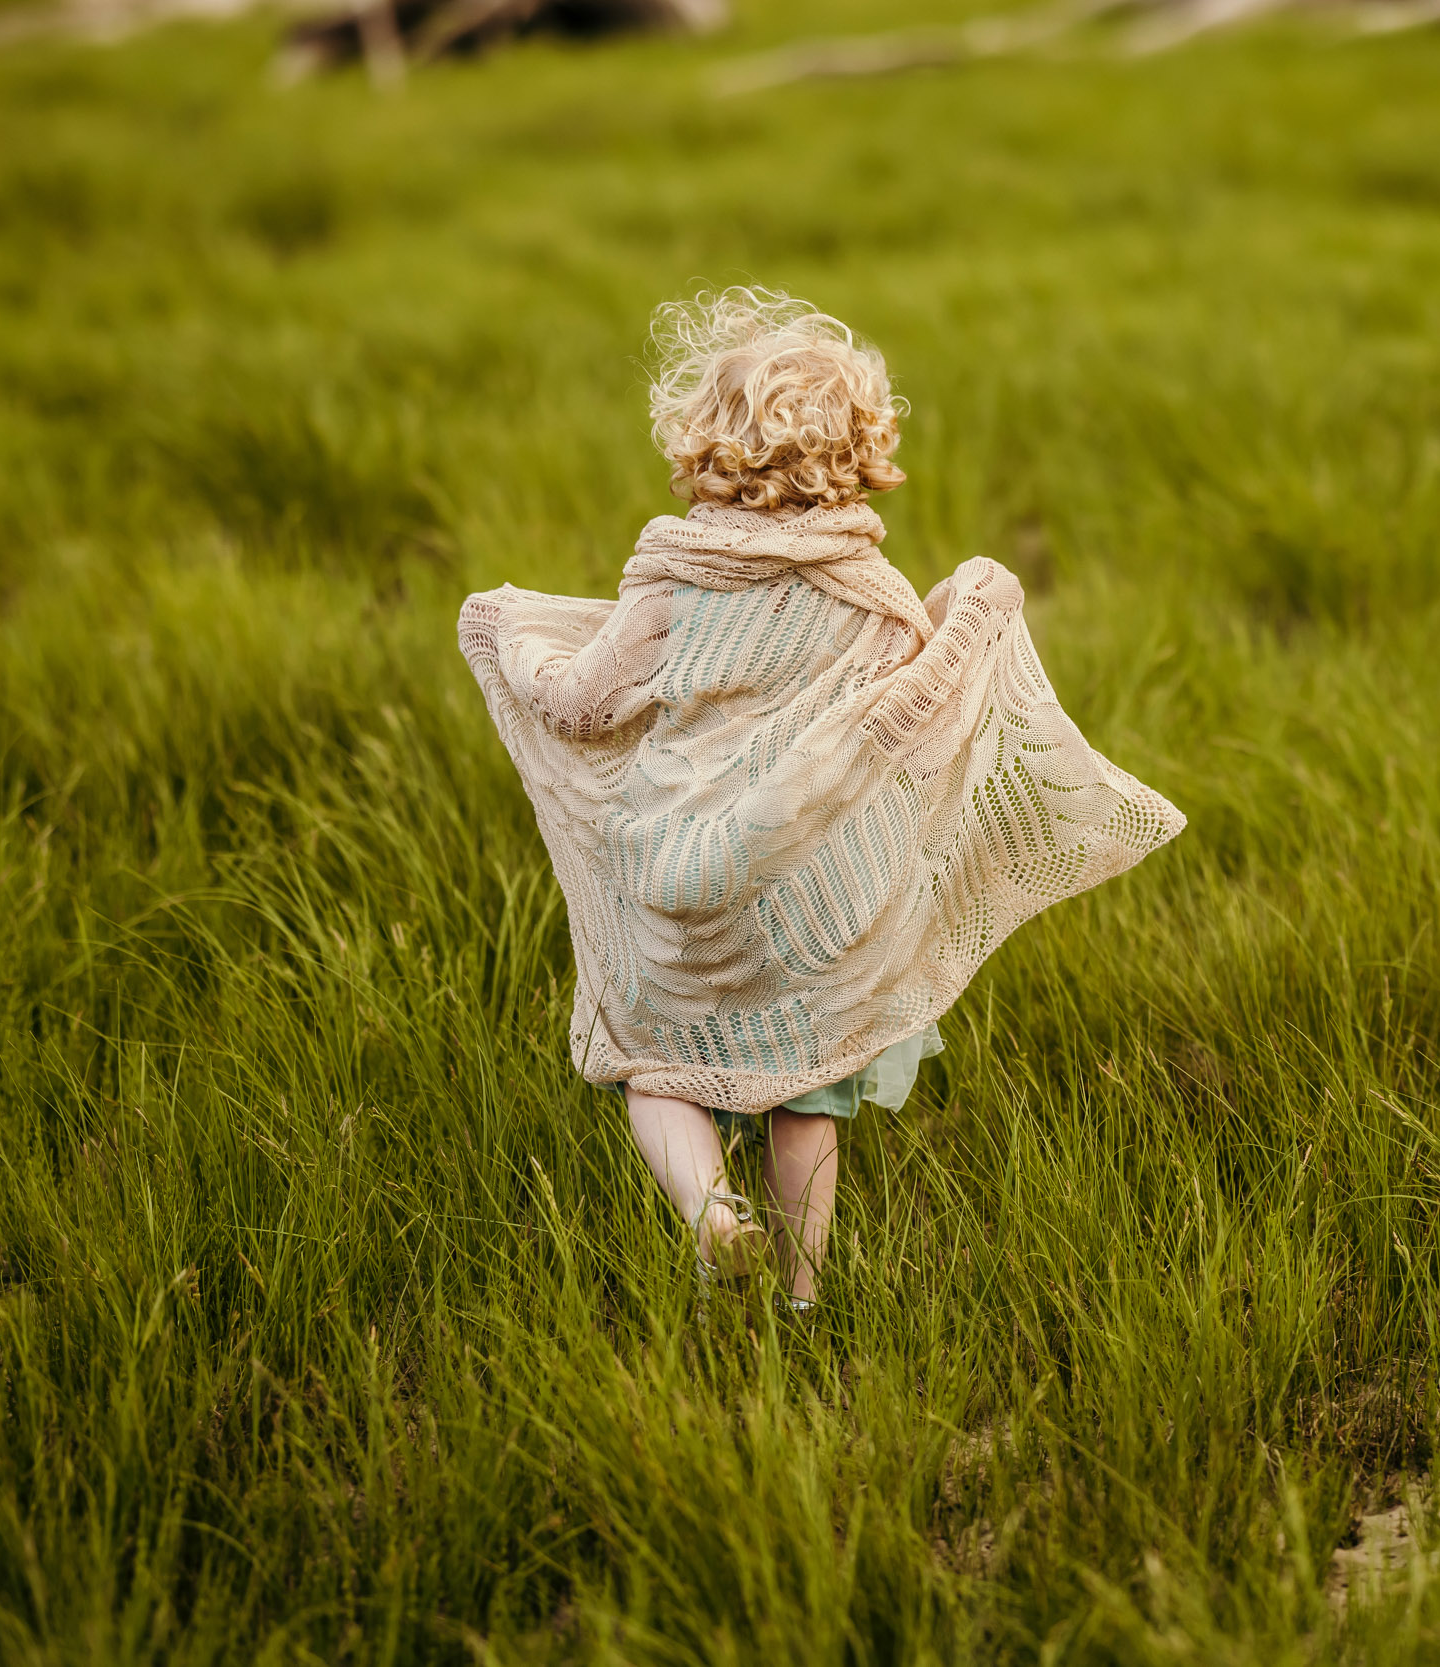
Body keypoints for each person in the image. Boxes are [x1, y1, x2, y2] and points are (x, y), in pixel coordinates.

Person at [458, 287, 1182, 1311]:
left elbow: (582, 706)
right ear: (858, 454)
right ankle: (802, 1293)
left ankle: (711, 1214)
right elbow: (905, 723)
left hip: (675, 871)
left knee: (654, 1062)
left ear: (705, 445)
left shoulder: (673, 578)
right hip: (812, 887)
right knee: (806, 1091)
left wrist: (521, 651)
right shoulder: (870, 590)